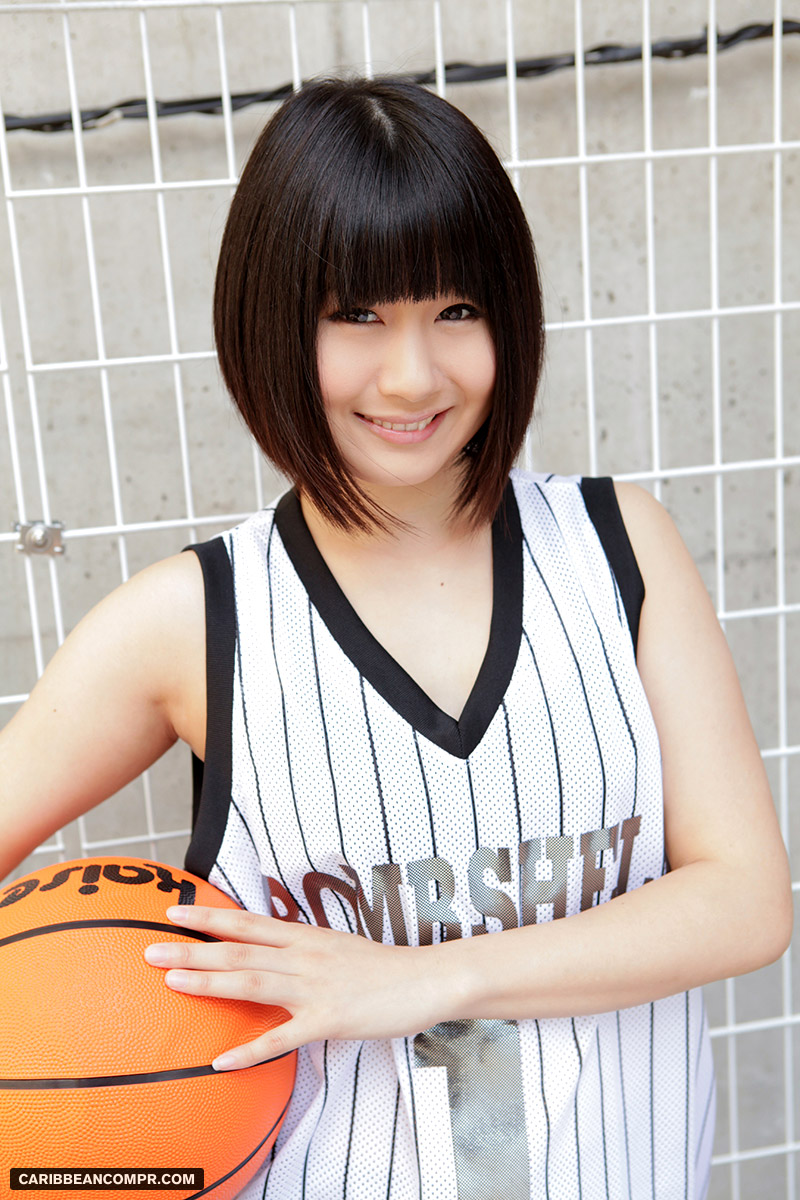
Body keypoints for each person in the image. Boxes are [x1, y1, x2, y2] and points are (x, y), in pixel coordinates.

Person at [0, 76, 792, 1200]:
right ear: (272, 321)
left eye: (456, 310)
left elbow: (746, 899)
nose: (412, 375)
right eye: (357, 316)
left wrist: (423, 978)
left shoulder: (619, 546)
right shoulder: (192, 620)